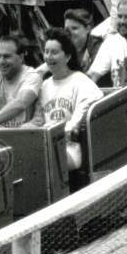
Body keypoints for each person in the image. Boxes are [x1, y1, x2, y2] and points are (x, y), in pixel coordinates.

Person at [34, 28, 103, 170]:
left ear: (67, 57)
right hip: (45, 144)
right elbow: (37, 120)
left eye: (54, 52)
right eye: (46, 52)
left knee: (41, 159)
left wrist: (54, 135)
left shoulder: (81, 82)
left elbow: (78, 120)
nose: (48, 57)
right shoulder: (44, 85)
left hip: (72, 148)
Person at [63, 8, 104, 74]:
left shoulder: (98, 46)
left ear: (87, 29)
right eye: (66, 29)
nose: (69, 33)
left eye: (74, 28)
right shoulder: (65, 48)